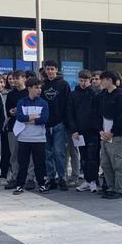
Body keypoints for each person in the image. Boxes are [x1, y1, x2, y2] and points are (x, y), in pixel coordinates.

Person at [12, 75, 49, 195]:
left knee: (40, 163)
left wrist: (29, 120)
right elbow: (20, 117)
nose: (39, 90)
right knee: (23, 163)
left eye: (40, 88)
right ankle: (19, 185)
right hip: (24, 138)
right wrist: (33, 117)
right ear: (29, 88)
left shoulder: (43, 103)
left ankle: (42, 184)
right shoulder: (21, 102)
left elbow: (44, 119)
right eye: (36, 87)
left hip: (39, 138)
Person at [97, 70, 122, 200]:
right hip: (103, 133)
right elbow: (98, 114)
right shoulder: (102, 95)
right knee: (105, 162)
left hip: (116, 135)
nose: (101, 82)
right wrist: (100, 130)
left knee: (117, 163)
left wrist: (112, 132)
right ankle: (110, 187)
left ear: (109, 80)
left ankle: (119, 188)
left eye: (103, 79)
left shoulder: (120, 96)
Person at [39, 61, 70, 191]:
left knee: (59, 152)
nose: (50, 71)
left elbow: (68, 103)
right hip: (45, 124)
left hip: (59, 123)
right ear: (45, 71)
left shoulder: (63, 84)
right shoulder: (42, 85)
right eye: (48, 69)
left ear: (57, 69)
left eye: (52, 69)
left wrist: (66, 121)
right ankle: (51, 177)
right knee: (48, 153)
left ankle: (62, 177)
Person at [69, 69, 101, 193]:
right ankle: (87, 180)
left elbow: (98, 113)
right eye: (81, 80)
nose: (83, 83)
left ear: (90, 81)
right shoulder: (73, 95)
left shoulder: (95, 94)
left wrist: (98, 129)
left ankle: (93, 180)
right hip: (80, 131)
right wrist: (74, 130)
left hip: (93, 131)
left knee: (93, 157)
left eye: (86, 81)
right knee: (84, 157)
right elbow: (70, 113)